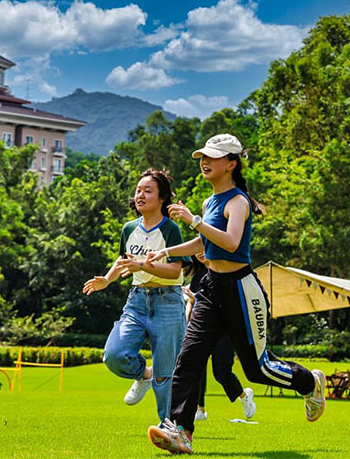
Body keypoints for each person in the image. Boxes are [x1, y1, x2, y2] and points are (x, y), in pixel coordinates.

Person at [145, 134, 326, 455]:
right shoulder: (208, 201)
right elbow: (205, 244)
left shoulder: (238, 201)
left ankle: (309, 383)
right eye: (202, 156)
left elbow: (230, 242)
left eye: (212, 158)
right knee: (188, 359)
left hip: (241, 289)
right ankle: (180, 431)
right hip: (211, 289)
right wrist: (167, 251)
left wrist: (193, 220)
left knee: (258, 370)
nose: (204, 162)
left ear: (231, 164)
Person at [82, 169, 189, 425]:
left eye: (147, 191)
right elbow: (123, 260)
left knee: (167, 375)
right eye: (138, 190)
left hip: (168, 303)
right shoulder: (129, 228)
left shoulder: (171, 229)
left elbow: (175, 270)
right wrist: (107, 279)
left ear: (162, 197)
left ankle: (169, 428)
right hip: (137, 301)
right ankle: (143, 374)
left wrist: (143, 266)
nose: (140, 195)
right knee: (115, 354)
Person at [184, 255, 256, 422]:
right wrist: (187, 323)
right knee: (197, 368)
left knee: (221, 372)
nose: (200, 254)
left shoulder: (226, 270)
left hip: (225, 328)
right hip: (204, 327)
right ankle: (199, 409)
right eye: (197, 251)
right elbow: (192, 302)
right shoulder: (198, 276)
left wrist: (194, 298)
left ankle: (244, 396)